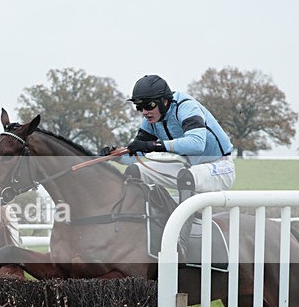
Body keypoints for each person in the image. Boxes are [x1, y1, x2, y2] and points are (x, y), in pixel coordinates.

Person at [100, 74, 235, 262]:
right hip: (190, 168)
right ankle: (136, 231)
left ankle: (180, 242)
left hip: (220, 168)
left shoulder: (185, 107)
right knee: (136, 171)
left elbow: (197, 144)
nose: (144, 112)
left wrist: (154, 146)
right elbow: (136, 158)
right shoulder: (151, 120)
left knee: (185, 176)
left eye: (149, 105)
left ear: (164, 101)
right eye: (139, 107)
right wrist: (116, 157)